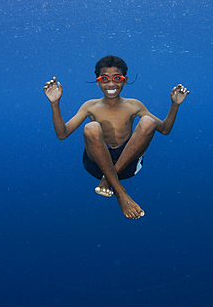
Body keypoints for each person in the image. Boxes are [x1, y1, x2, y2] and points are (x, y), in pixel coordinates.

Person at [44, 55, 190, 219]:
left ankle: (109, 179)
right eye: (105, 78)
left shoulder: (134, 105)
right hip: (96, 164)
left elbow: (164, 129)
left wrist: (175, 104)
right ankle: (121, 193)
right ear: (98, 81)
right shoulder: (89, 106)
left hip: (128, 163)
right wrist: (54, 103)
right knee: (91, 127)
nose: (111, 84)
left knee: (148, 121)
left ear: (125, 80)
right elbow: (62, 134)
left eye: (117, 78)